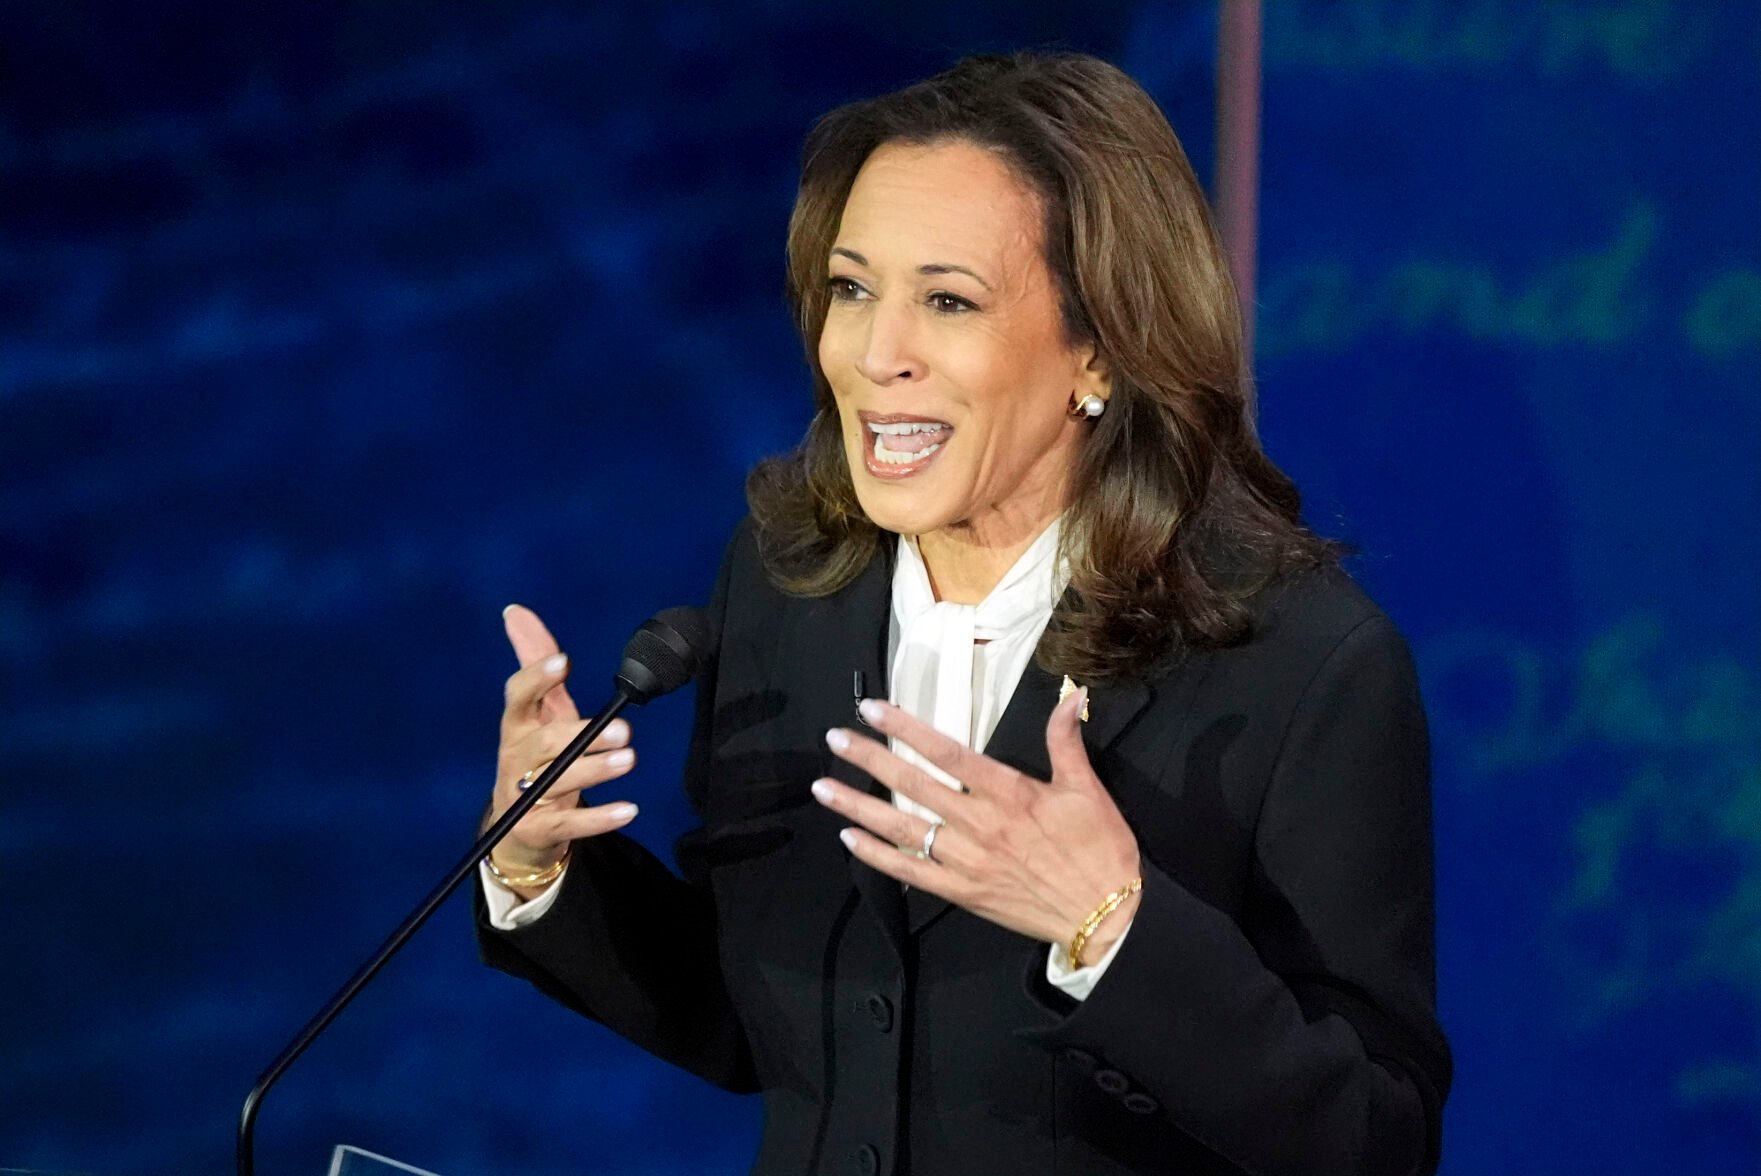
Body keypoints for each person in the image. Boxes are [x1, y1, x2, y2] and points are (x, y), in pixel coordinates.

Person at [474, 51, 1451, 1176]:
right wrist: (541, 864)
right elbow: (763, 1019)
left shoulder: (1300, 663)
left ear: (1100, 347)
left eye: (948, 301)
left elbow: (1377, 1145)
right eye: (852, 289)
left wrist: (1112, 931)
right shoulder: (792, 584)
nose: (876, 356)